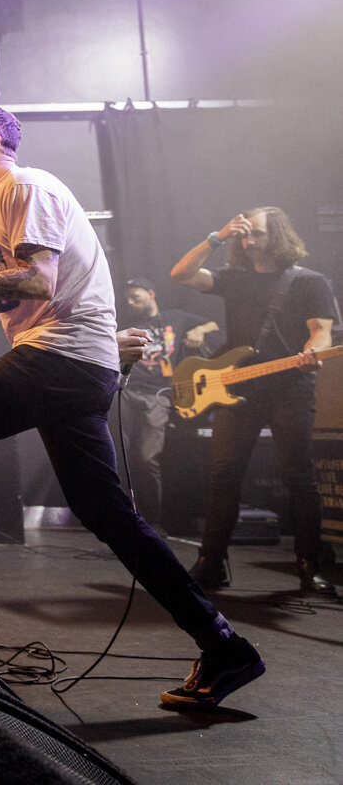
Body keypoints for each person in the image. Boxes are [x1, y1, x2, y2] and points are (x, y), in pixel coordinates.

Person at [0, 105, 262, 710]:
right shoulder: (2, 203)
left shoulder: (22, 185)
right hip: (75, 360)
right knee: (107, 514)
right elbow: (72, 289)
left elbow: (38, 282)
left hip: (60, 360)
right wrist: (107, 342)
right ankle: (225, 646)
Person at [169, 206, 338, 596]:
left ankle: (310, 565)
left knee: (298, 475)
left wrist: (312, 350)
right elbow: (180, 274)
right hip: (239, 386)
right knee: (224, 474)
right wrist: (218, 236)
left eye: (256, 234)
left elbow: (322, 333)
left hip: (289, 386)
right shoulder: (235, 279)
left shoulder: (309, 282)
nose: (248, 241)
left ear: (277, 235)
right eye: (243, 235)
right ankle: (211, 563)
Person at [118, 277, 222, 531]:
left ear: (151, 293)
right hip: (128, 392)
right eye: (128, 298)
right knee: (123, 457)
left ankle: (152, 522)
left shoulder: (176, 317)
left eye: (136, 297)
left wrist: (199, 331)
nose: (131, 302)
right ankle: (126, 519)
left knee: (146, 457)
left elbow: (215, 324)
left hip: (160, 394)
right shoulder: (127, 323)